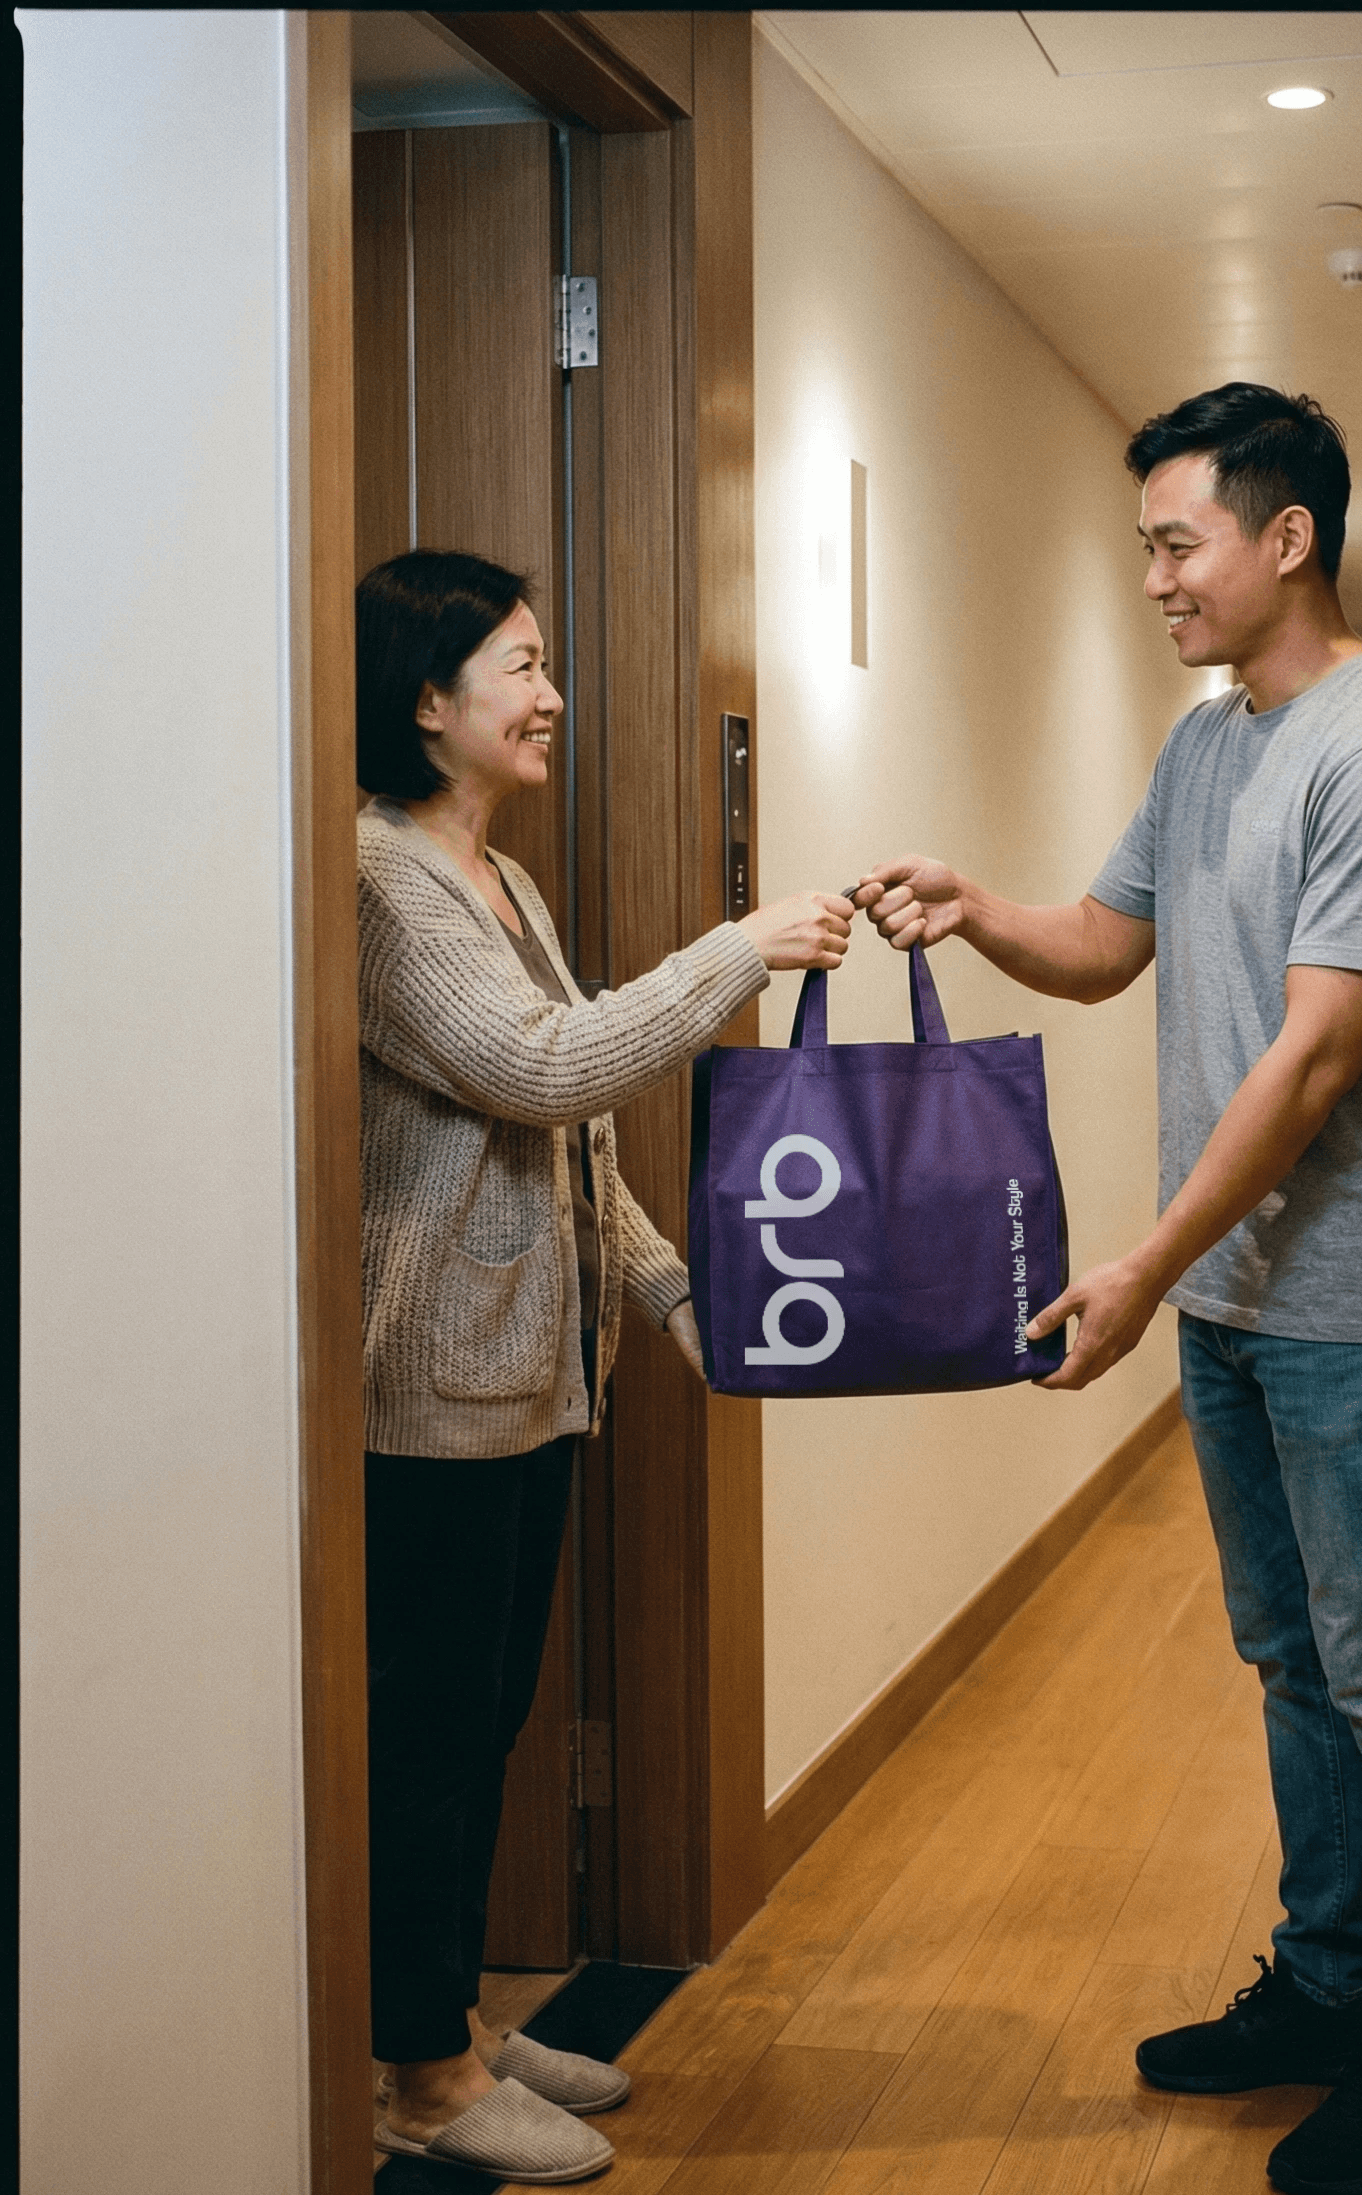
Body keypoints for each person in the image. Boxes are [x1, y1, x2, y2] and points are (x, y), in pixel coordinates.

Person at [856, 384, 1362, 2195]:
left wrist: (1141, 1260)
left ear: (1285, 536)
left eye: (1172, 539)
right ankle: (1321, 1983)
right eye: (1144, 543)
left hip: (1355, 1301)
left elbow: (1306, 1067)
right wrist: (977, 905)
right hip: (1231, 1293)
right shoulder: (1210, 743)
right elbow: (1101, 945)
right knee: (1291, 1657)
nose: (1150, 576)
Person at [356, 549, 854, 2184]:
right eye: (519, 664)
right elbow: (538, 1067)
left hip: (537, 1374)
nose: (549, 692)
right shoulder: (375, 876)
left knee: (487, 1714)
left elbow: (574, 1149)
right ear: (426, 700)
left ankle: (441, 2019)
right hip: (428, 1396)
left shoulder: (501, 879)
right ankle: (416, 2074)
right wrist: (740, 953)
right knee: (432, 1732)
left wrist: (666, 1293)